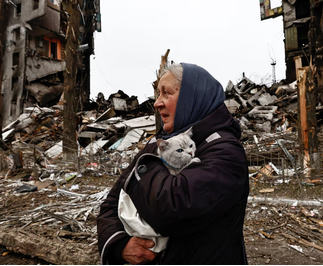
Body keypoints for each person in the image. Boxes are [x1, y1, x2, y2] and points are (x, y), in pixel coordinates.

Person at [97, 63, 249, 265]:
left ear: (193, 97)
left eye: (166, 93)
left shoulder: (225, 152)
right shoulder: (162, 142)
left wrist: (144, 166)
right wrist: (119, 244)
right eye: (157, 94)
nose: (157, 103)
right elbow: (111, 203)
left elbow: (173, 209)